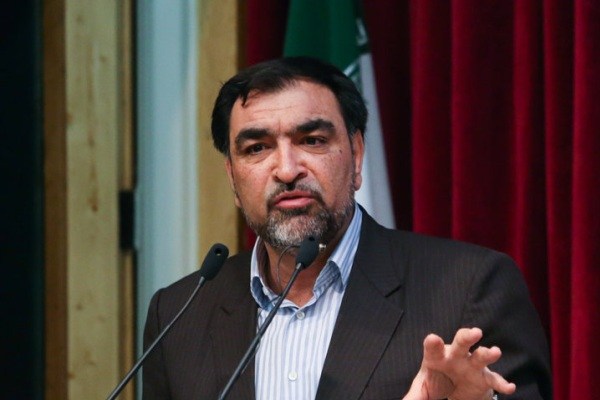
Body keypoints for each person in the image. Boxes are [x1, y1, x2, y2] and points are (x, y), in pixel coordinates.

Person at [143, 57, 551, 399]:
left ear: (356, 156)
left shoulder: (468, 289)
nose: (287, 170)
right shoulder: (179, 316)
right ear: (233, 178)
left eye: (312, 140)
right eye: (257, 148)